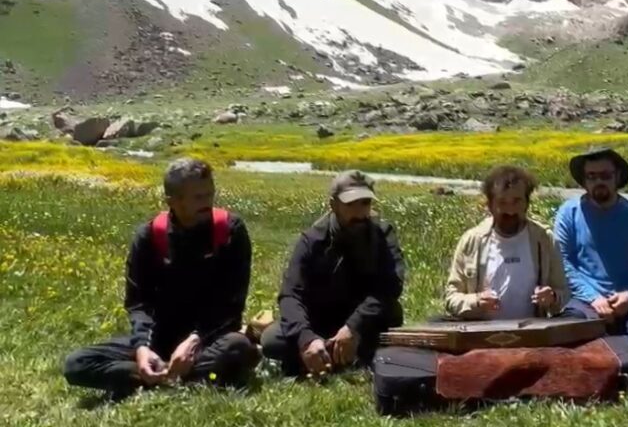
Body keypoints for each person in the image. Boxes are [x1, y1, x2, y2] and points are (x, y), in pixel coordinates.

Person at [62, 158, 259, 399]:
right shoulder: (148, 237)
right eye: (198, 197)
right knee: (77, 364)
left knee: (237, 348)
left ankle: (155, 378)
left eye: (210, 194)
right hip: (160, 337)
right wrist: (142, 347)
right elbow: (138, 303)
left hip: (209, 337)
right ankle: (167, 375)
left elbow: (232, 304)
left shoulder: (230, 230)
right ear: (172, 202)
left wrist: (194, 341)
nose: (208, 202)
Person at [261, 171, 404, 377]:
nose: (360, 212)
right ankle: (324, 352)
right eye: (350, 204)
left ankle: (331, 356)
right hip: (321, 320)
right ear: (333, 205)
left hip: (365, 322)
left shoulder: (382, 233)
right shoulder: (312, 240)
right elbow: (290, 295)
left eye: (365, 203)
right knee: (272, 340)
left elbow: (390, 286)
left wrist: (353, 327)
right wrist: (307, 338)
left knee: (392, 322)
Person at [553, 147, 628, 343]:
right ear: (584, 180)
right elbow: (563, 262)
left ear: (617, 177)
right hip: (584, 299)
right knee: (570, 336)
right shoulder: (568, 213)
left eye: (605, 175)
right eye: (592, 176)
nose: (599, 181)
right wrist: (593, 298)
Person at [443, 165, 568, 320]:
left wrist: (552, 297)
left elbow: (564, 294)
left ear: (527, 203)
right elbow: (451, 298)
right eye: (502, 202)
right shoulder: (471, 241)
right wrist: (476, 301)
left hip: (532, 335)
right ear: (490, 205)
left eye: (517, 201)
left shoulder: (544, 240)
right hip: (482, 336)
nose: (510, 210)